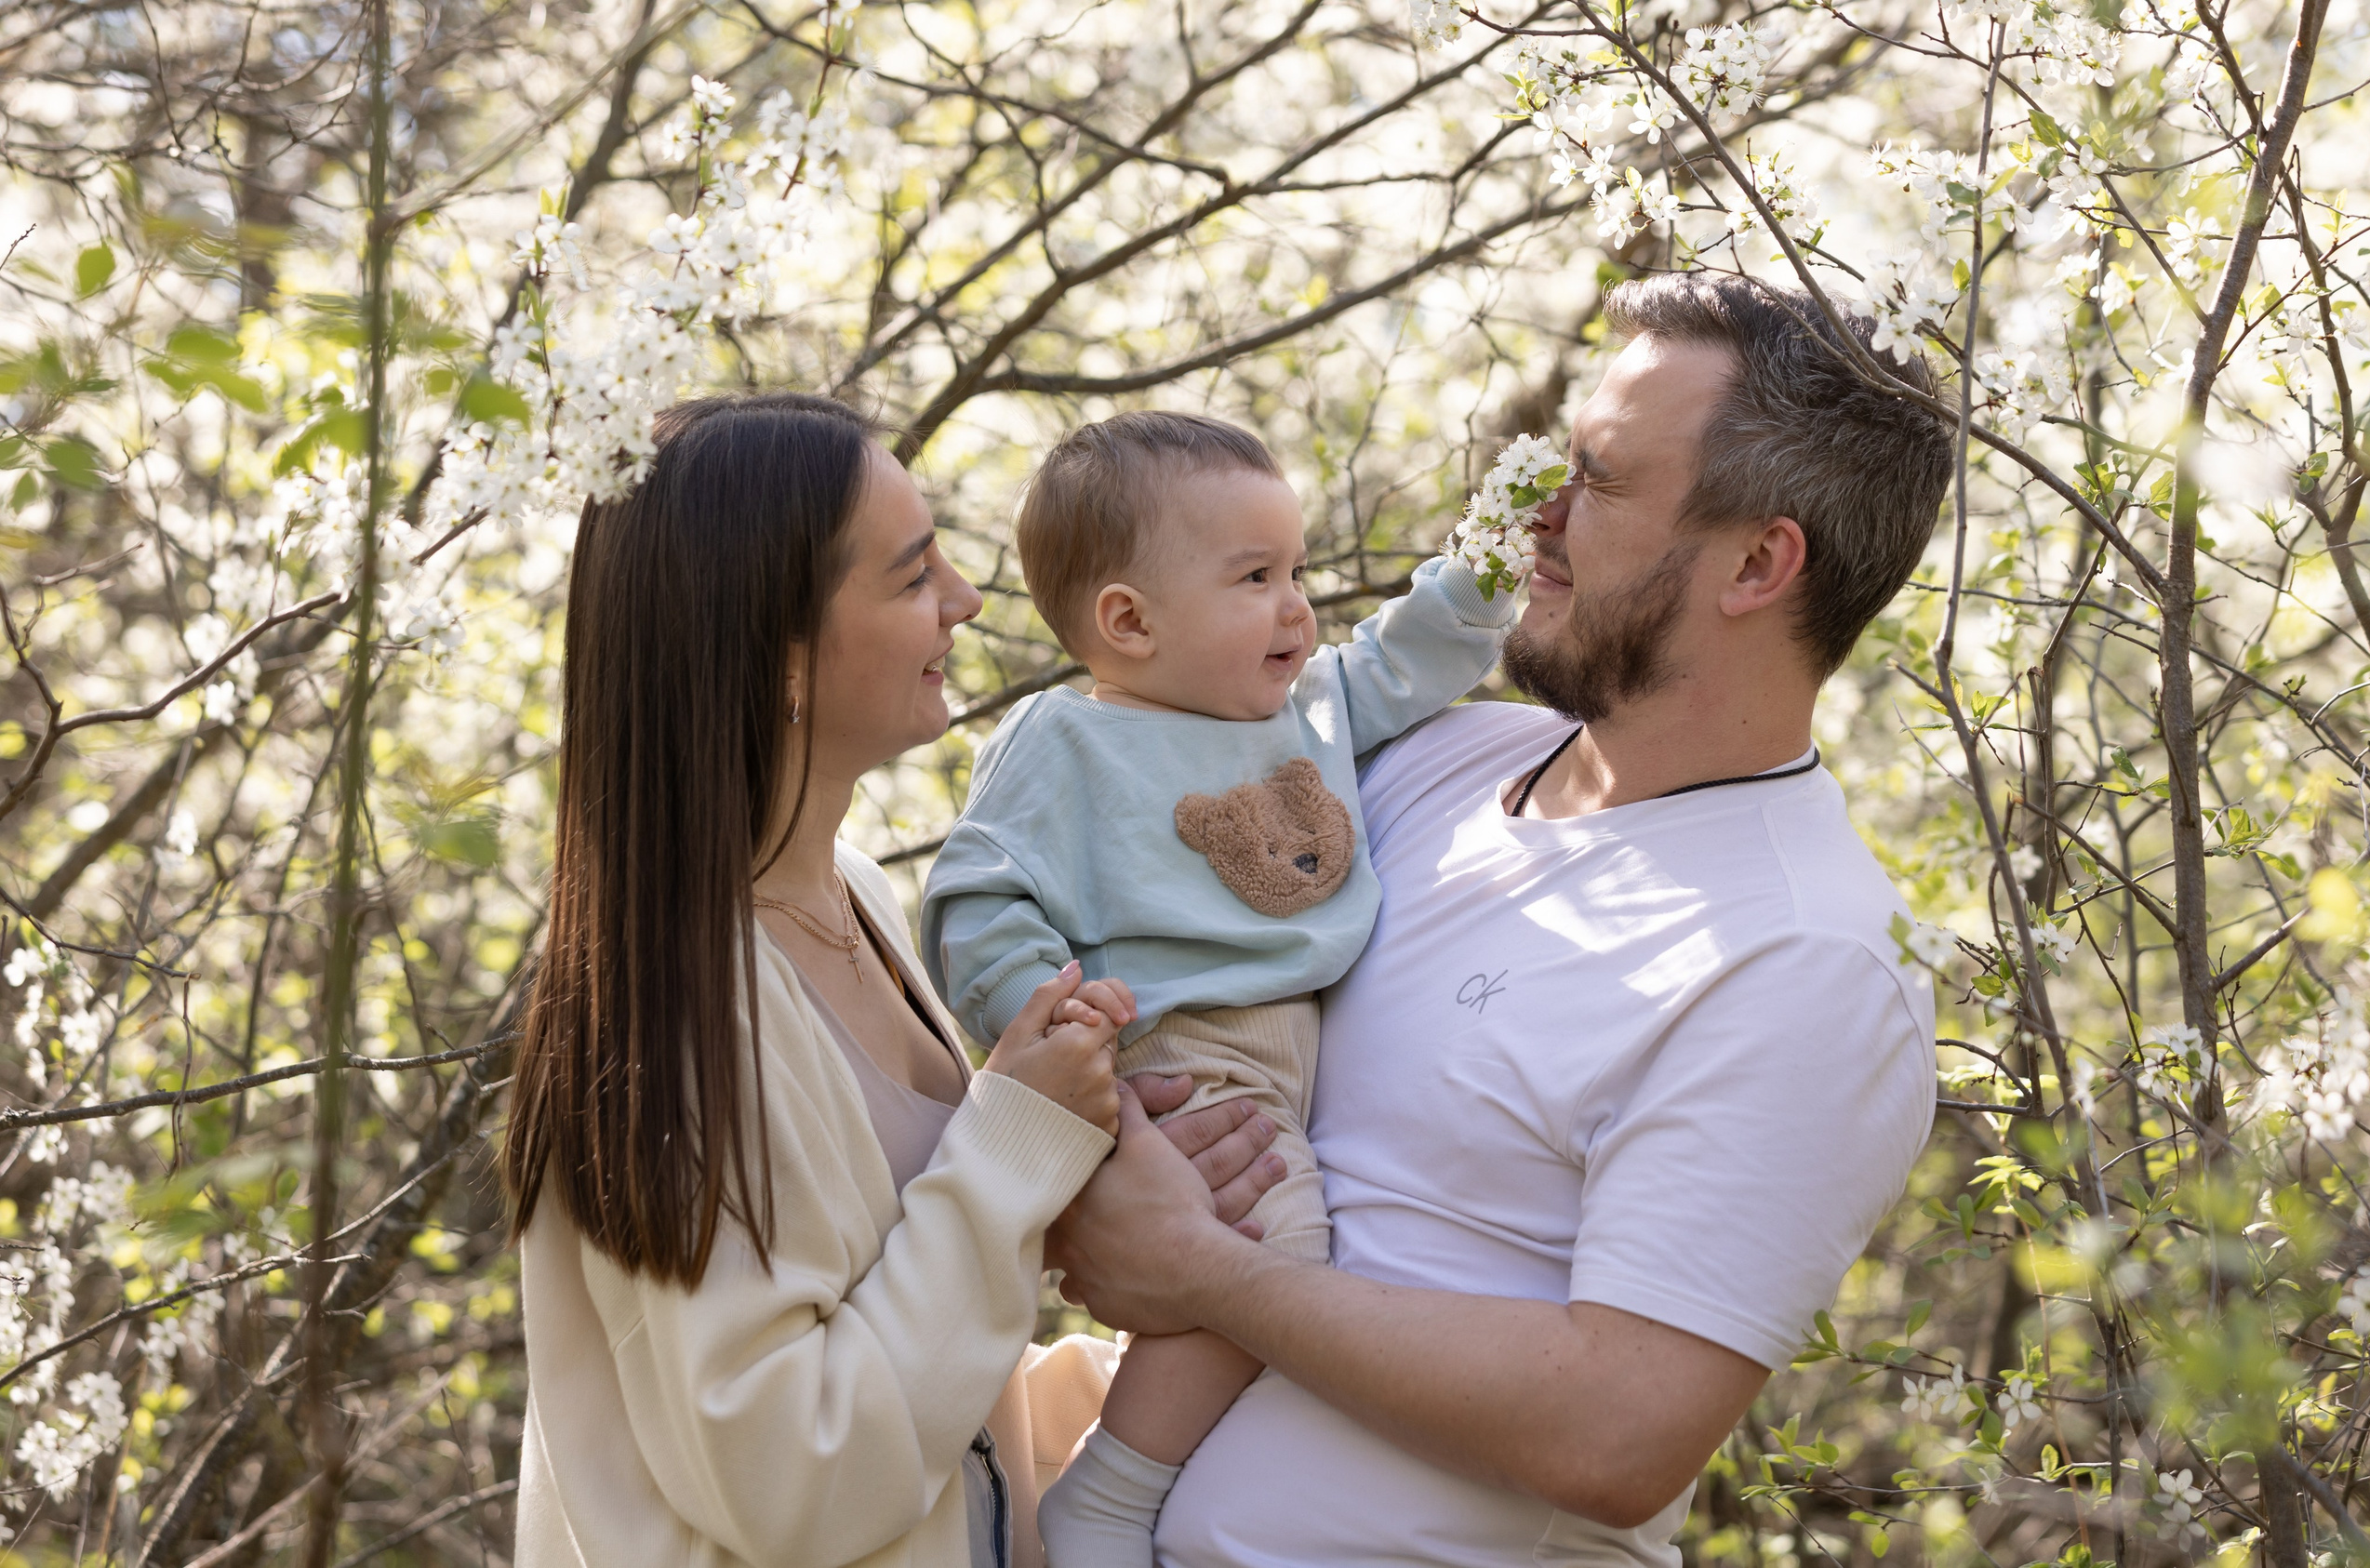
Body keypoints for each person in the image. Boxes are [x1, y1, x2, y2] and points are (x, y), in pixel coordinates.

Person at [1045, 272, 1960, 1567]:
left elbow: (1617, 1429)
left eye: (1599, 479)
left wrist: (1207, 1275)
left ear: (1759, 562)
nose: (1540, 514)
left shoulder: (1801, 956)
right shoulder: (1427, 763)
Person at [503, 392, 1285, 1568]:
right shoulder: (676, 1013)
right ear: (784, 660)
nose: (967, 602)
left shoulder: (854, 897)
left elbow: (924, 1384)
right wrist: (1014, 1148)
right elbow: (796, 1481)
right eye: (914, 575)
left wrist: (1187, 1324)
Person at [919, 412, 1517, 1566]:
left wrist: (1490, 563)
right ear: (1129, 623)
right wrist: (1047, 1017)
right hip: (1168, 1050)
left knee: (1269, 1260)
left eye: (1294, 572)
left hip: (1283, 1053)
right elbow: (976, 892)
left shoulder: (1310, 707)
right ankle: (1110, 1492)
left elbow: (1410, 653)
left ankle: (1171, 1463)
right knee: (1274, 1256)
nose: (1296, 606)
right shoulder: (1067, 743)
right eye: (1254, 578)